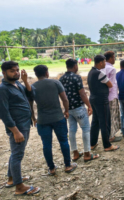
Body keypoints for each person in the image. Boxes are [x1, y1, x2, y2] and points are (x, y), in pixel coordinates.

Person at [0, 62, 40, 196]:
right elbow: (4, 113)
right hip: (18, 126)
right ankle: (19, 187)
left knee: (15, 153)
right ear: (4, 73)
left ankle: (12, 179)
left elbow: (31, 95)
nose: (16, 73)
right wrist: (15, 131)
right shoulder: (3, 89)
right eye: (12, 71)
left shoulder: (17, 84)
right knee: (17, 155)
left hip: (24, 123)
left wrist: (25, 81)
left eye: (17, 70)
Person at [32, 65, 77, 175]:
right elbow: (65, 99)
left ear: (36, 74)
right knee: (63, 141)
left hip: (42, 120)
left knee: (46, 144)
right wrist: (66, 111)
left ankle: (51, 168)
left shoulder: (32, 87)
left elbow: (29, 105)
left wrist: (33, 118)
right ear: (47, 73)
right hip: (58, 117)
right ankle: (67, 165)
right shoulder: (55, 83)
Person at [59, 59, 99, 163]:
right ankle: (87, 154)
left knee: (72, 130)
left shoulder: (61, 78)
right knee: (85, 129)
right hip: (78, 107)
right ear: (75, 66)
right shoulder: (76, 77)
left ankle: (75, 153)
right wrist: (89, 106)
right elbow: (82, 94)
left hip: (69, 109)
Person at [88, 55, 119, 152]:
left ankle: (92, 143)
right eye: (104, 62)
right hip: (101, 100)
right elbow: (110, 84)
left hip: (93, 98)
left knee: (95, 122)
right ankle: (107, 145)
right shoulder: (99, 73)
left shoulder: (91, 72)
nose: (105, 64)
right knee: (105, 122)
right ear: (101, 62)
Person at [101, 51, 122, 143]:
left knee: (106, 117)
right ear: (110, 58)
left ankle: (108, 135)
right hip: (111, 96)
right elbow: (111, 84)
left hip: (104, 97)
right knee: (113, 116)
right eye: (113, 57)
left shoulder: (102, 68)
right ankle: (111, 136)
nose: (114, 59)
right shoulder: (112, 69)